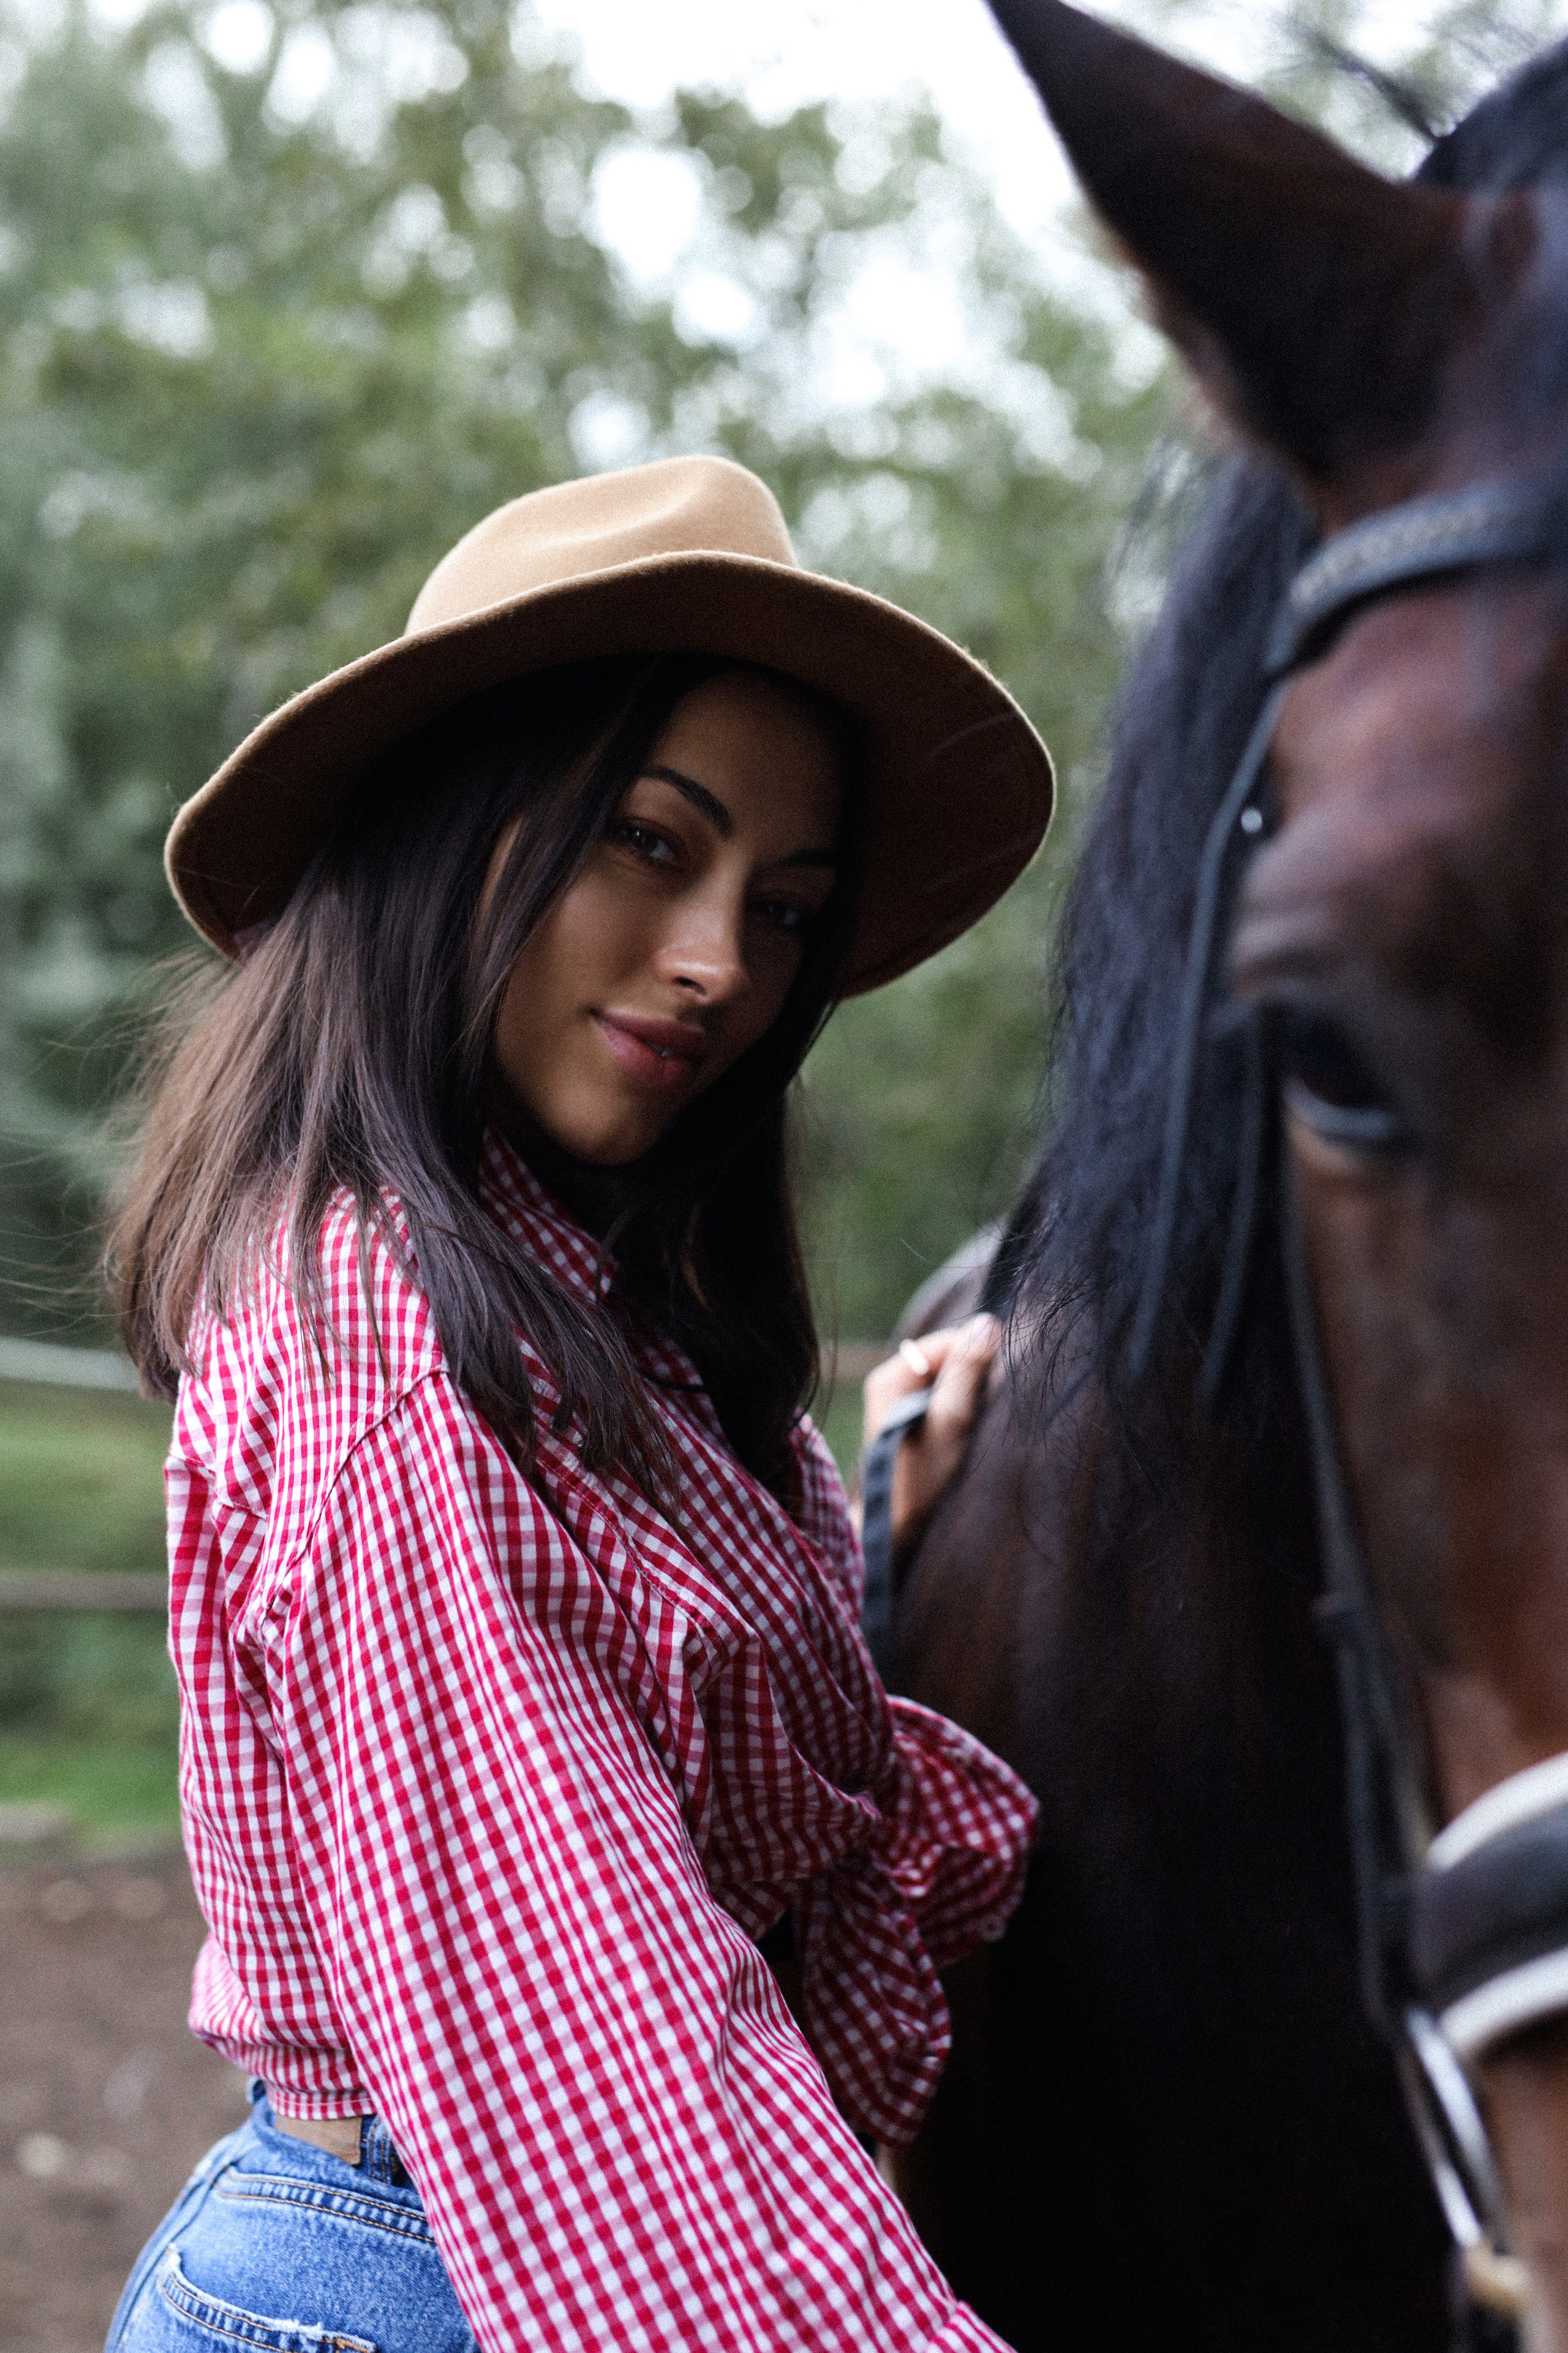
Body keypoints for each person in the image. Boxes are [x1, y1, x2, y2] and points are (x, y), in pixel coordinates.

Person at [102, 453, 1052, 2352]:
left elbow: (656, 1745)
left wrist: (876, 1527)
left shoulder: (588, 1307)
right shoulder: (388, 1356)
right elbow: (624, 2097)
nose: (721, 966)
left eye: (782, 905)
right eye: (647, 839)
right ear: (464, 827)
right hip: (416, 2279)